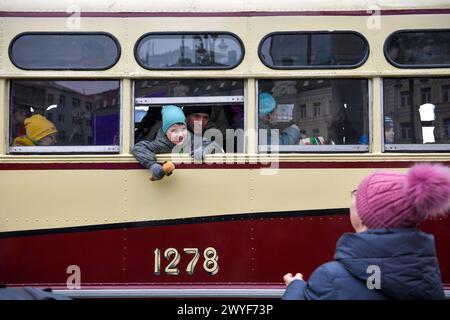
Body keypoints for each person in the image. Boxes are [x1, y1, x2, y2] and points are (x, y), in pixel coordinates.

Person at [283, 163, 450, 300]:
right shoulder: (428, 274)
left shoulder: (330, 277)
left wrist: (295, 289)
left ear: (364, 217)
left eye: (357, 195)